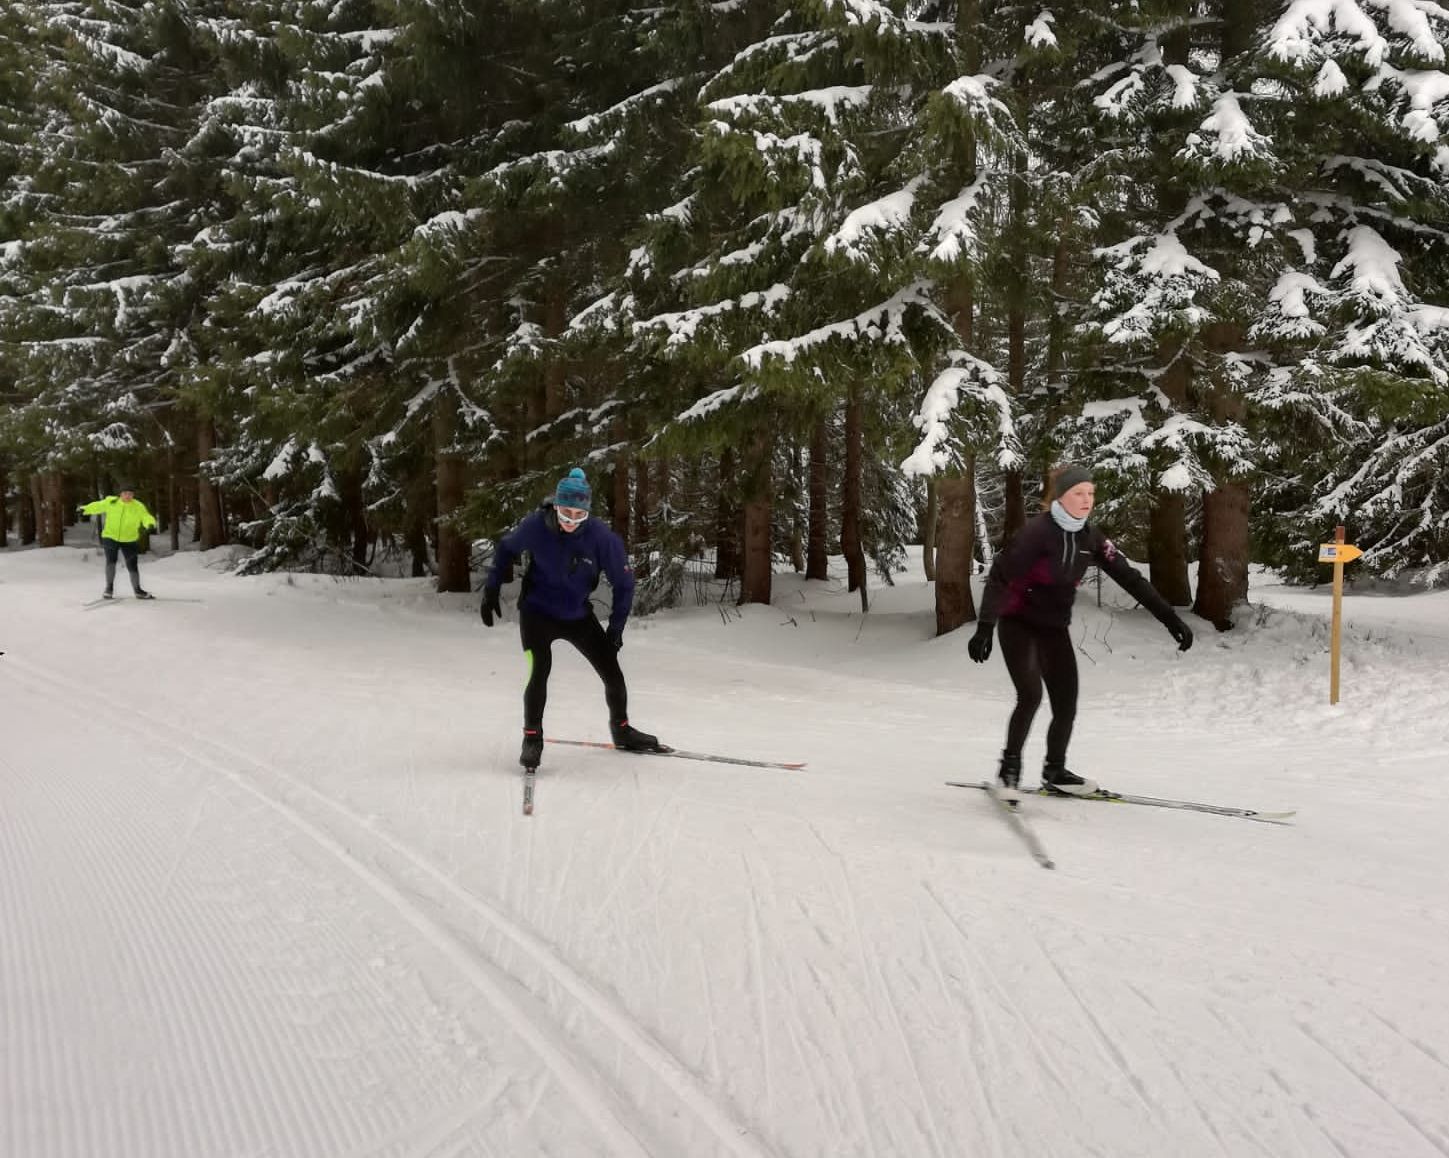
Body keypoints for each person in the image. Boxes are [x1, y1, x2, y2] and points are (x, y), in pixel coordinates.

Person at [967, 465, 1193, 795]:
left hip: (1054, 629)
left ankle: (1055, 771)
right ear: (1061, 497)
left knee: (1066, 703)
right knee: (1030, 695)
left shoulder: (1092, 538)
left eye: (1091, 493)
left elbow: (1130, 578)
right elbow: (1000, 576)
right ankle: (1009, 770)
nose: (1087, 500)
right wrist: (985, 627)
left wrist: (1170, 619)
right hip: (1018, 624)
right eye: (1078, 493)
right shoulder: (1036, 534)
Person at [480, 468, 660, 768]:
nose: (571, 521)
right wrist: (491, 589)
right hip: (537, 613)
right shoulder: (536, 525)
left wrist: (616, 629)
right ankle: (532, 738)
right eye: (565, 513)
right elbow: (507, 548)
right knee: (538, 671)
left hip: (577, 615)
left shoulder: (602, 538)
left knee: (612, 671)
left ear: (587, 513)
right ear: (556, 506)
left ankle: (622, 730)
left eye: (579, 515)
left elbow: (625, 585)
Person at [78, 483, 159, 600]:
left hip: (129, 539)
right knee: (111, 561)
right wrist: (84, 509)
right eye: (125, 493)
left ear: (133, 495)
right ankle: (109, 589)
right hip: (110, 536)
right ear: (120, 494)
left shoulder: (138, 506)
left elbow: (146, 516)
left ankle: (138, 591)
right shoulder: (112, 502)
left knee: (132, 565)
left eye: (130, 494)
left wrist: (150, 523)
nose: (127, 496)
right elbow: (98, 506)